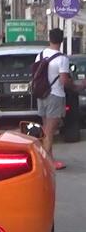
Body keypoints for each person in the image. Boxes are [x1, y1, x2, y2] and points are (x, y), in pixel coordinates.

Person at [36, 28, 86, 170]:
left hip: (42, 94)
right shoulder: (62, 58)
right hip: (55, 95)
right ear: (62, 40)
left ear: (49, 38)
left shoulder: (40, 55)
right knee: (50, 131)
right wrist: (77, 86)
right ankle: (46, 162)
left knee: (46, 129)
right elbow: (64, 81)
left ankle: (48, 159)